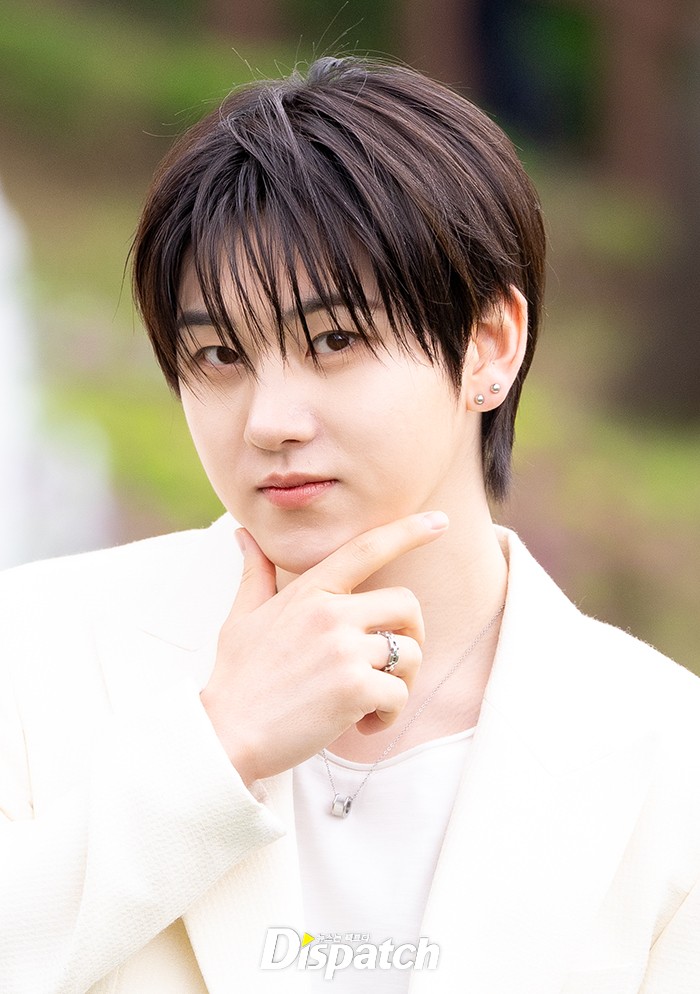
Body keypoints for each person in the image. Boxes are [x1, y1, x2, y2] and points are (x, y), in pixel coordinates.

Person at [1, 56, 699, 994]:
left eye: (334, 340)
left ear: (489, 346)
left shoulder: (666, 757)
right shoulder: (34, 655)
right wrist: (216, 748)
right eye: (218, 354)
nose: (269, 421)